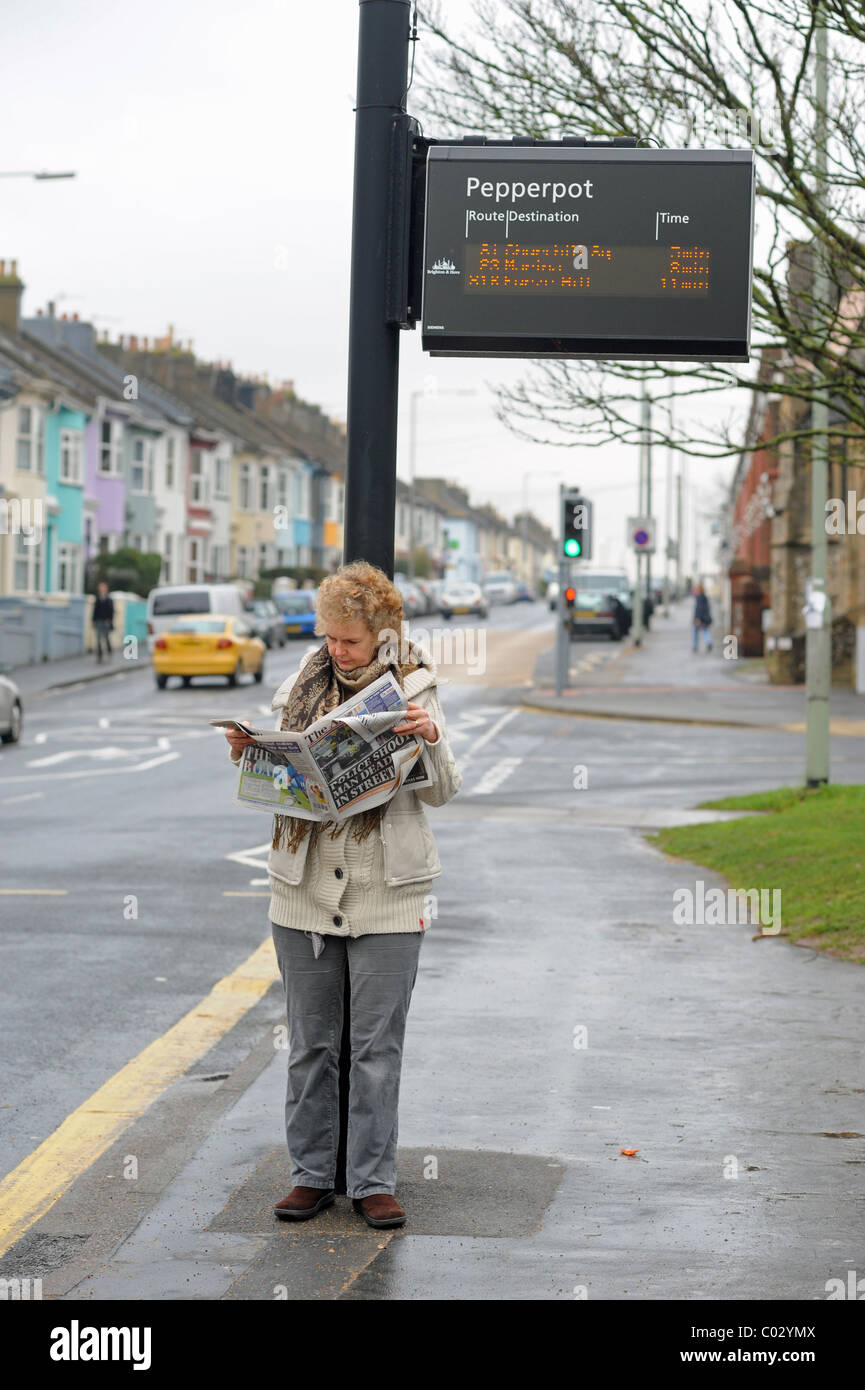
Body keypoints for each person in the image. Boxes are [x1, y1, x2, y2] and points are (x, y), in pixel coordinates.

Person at [224, 560, 461, 1231]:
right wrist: (255, 759)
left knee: (374, 1050)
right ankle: (309, 1177)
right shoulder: (302, 679)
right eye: (329, 637)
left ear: (381, 632)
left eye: (349, 640)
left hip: (387, 890)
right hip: (301, 890)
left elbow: (443, 790)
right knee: (309, 1044)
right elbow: (281, 778)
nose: (336, 650)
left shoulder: (414, 681)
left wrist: (430, 740)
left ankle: (371, 1182)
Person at [92, 582, 115, 663]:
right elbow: (95, 610)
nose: (102, 589)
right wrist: (93, 620)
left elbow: (111, 611)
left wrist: (109, 620)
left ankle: (109, 652)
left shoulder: (109, 599)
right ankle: (99, 656)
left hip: (106, 622)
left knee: (106, 638)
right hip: (98, 621)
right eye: (101, 587)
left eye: (103, 587)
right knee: (98, 639)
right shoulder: (97, 598)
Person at [692, 583, 713, 652]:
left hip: (700, 618)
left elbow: (699, 608)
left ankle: (695, 646)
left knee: (695, 631)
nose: (696, 591)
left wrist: (697, 618)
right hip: (705, 618)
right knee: (705, 630)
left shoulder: (699, 598)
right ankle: (709, 642)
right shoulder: (704, 597)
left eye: (697, 589)